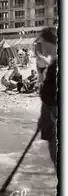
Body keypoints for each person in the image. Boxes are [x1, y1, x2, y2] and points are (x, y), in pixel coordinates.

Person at [36, 27, 58, 171]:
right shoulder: (51, 62)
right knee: (51, 140)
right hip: (49, 107)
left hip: (52, 107)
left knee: (53, 141)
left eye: (42, 42)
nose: (40, 46)